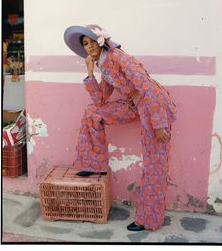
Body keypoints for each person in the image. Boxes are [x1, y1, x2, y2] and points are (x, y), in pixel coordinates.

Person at [64, 24, 177, 231]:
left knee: (155, 163)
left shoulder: (119, 57)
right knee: (93, 113)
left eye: (90, 42)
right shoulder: (104, 65)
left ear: (100, 41)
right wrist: (90, 73)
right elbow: (100, 101)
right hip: (134, 105)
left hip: (154, 106)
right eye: (84, 45)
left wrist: (159, 123)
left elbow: (147, 87)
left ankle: (148, 219)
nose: (88, 48)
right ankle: (93, 165)